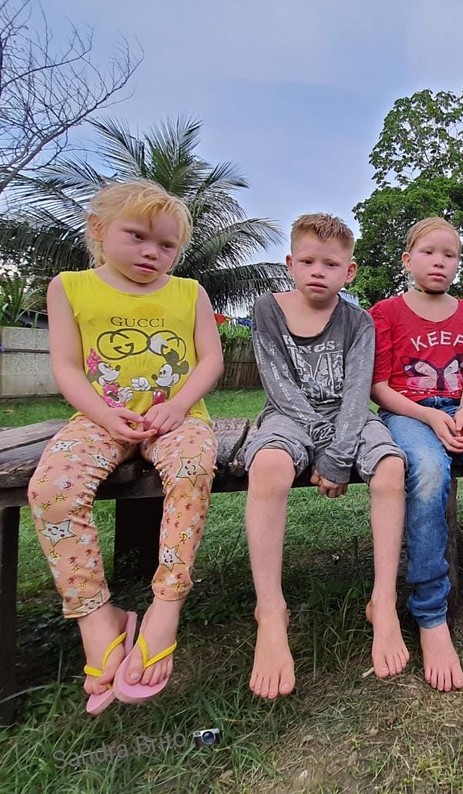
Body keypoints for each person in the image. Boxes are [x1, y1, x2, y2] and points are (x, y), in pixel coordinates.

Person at [28, 179, 223, 712]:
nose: (151, 253)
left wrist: (177, 406)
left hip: (175, 416)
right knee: (51, 489)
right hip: (99, 417)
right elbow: (67, 367)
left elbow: (210, 360)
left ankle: (166, 604)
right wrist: (102, 414)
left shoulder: (189, 293)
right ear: (98, 230)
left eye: (166, 246)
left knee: (191, 471)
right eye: (136, 237)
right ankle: (97, 615)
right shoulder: (69, 286)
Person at [242, 213, 408, 700]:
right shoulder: (267, 309)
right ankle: (270, 610)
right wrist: (325, 447)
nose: (319, 271)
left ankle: (384, 599)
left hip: (349, 417)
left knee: (391, 468)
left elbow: (358, 392)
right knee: (269, 466)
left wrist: (339, 451)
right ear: (290, 263)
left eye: (331, 264)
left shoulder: (357, 320)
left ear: (348, 272)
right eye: (308, 261)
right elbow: (279, 387)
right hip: (288, 415)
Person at [370, 217, 463, 692]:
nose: (440, 262)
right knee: (431, 469)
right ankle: (430, 613)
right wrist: (432, 418)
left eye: (450, 254)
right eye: (429, 252)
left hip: (462, 411)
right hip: (407, 414)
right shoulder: (386, 313)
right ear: (408, 259)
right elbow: (379, 387)